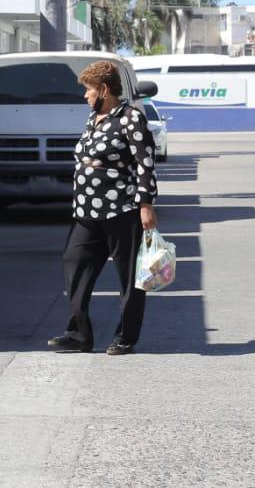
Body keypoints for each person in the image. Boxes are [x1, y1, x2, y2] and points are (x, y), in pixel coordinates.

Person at [48, 60, 158, 356]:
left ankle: (125, 336)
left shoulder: (130, 118)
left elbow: (145, 163)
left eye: (89, 90)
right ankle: (79, 334)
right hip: (86, 210)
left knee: (129, 277)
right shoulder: (93, 119)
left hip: (121, 209)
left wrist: (146, 205)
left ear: (105, 89)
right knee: (74, 263)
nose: (86, 96)